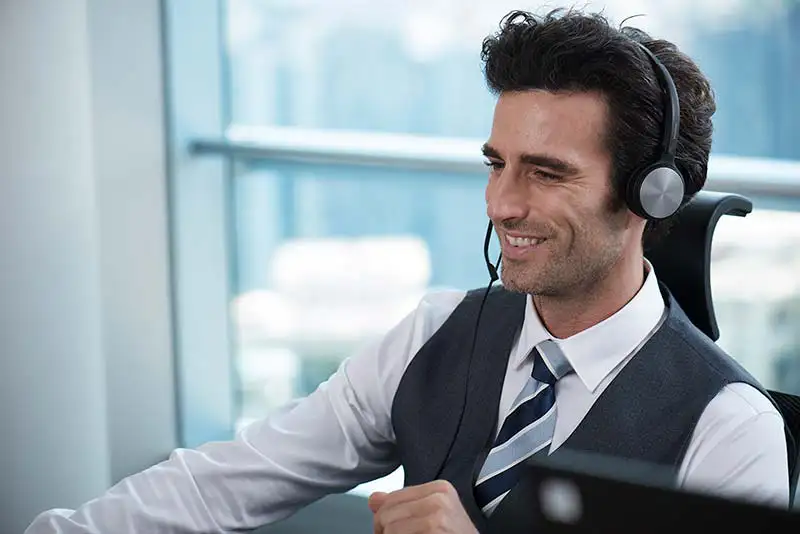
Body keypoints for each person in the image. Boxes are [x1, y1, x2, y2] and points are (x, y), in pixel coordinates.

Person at [27, 8, 790, 534]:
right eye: (497, 165)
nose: (503, 204)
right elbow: (227, 479)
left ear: (649, 196)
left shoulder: (728, 431)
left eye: (546, 173)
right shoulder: (436, 333)